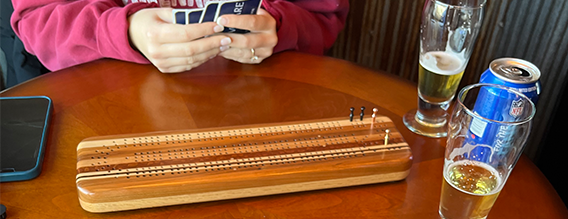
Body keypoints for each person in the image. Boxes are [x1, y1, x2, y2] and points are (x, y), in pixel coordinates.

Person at [10, 0, 349, 74]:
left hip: (262, 101)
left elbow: (325, 14)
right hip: (108, 115)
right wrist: (122, 31)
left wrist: (281, 24)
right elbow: (37, 21)